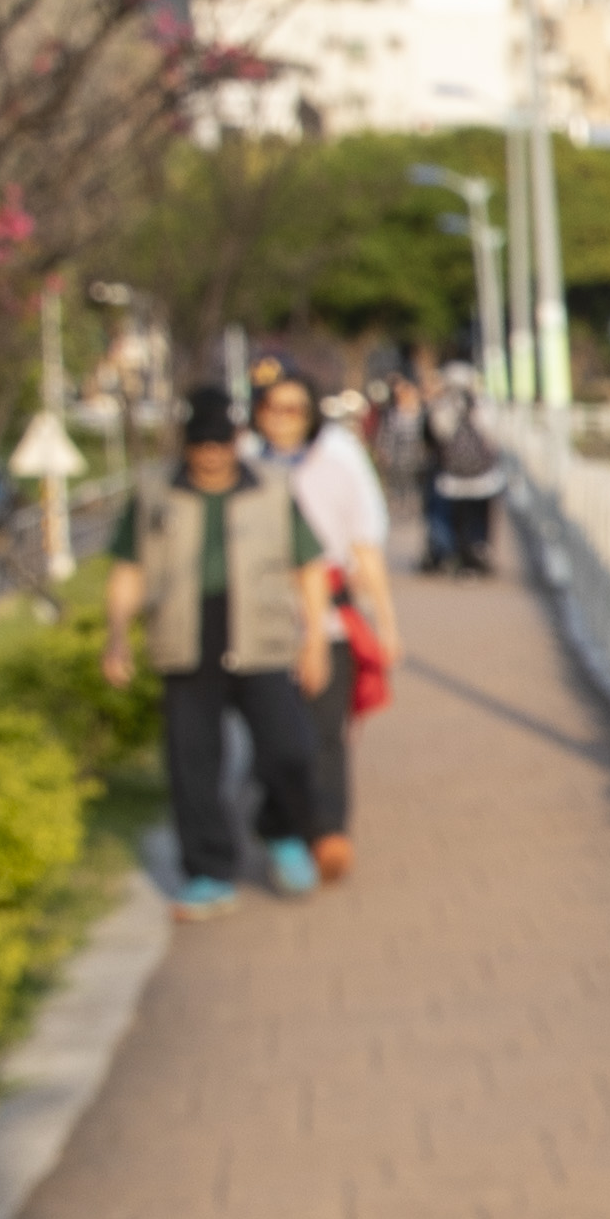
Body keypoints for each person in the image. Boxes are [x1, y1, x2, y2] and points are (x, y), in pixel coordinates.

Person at [103, 388, 335, 919]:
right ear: (187, 446)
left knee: (289, 748)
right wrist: (117, 636)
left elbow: (309, 566)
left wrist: (315, 640)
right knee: (193, 764)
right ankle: (208, 872)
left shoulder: (271, 488)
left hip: (260, 636)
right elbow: (128, 570)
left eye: (219, 444)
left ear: (235, 441)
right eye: (199, 445)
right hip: (186, 638)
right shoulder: (155, 490)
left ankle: (280, 830)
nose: (210, 456)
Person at [247, 362, 394, 884]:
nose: (283, 420)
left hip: (330, 618)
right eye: (272, 408)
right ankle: (281, 826)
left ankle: (328, 830)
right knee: (275, 738)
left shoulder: (337, 464)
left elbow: (363, 546)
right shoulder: (244, 469)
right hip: (259, 623)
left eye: (295, 410)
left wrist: (387, 622)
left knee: (327, 731)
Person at [417, 366, 505, 576]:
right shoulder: (483, 404)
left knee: (458, 518)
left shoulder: (445, 405)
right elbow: (494, 434)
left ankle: (455, 556)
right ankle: (476, 555)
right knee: (477, 518)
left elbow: (439, 432)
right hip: (483, 475)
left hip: (452, 476)